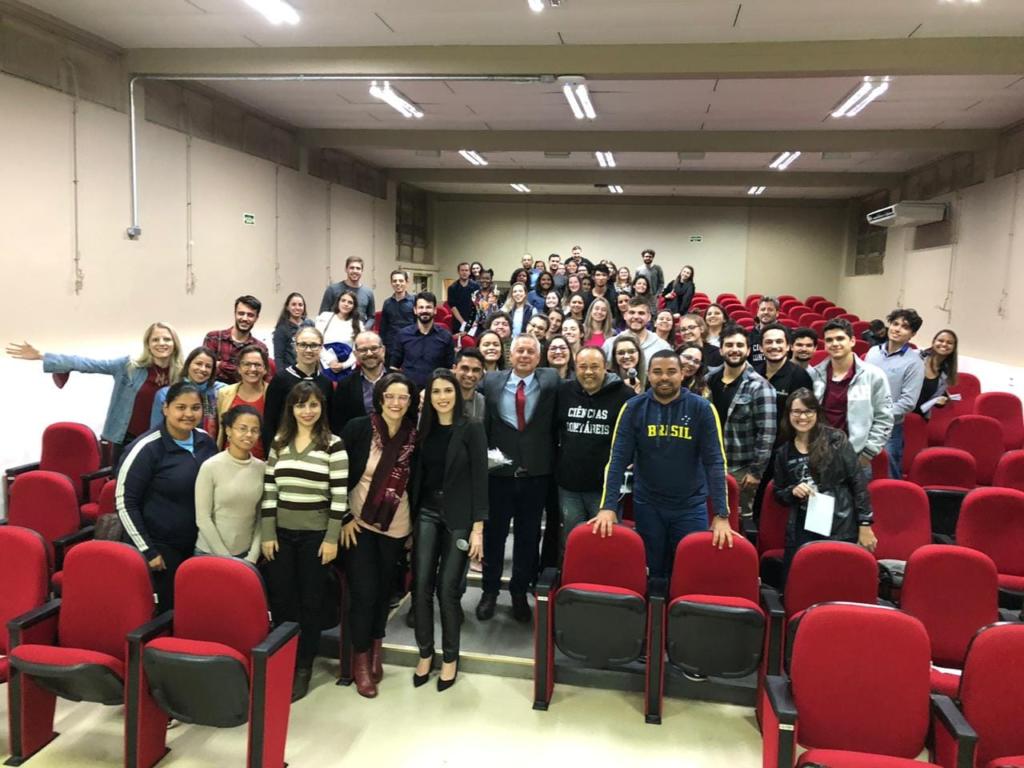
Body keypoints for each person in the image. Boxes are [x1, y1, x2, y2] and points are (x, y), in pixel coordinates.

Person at [595, 351, 731, 579]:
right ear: (648, 374)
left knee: (689, 571)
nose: (664, 377)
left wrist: (721, 514)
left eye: (671, 371)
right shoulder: (633, 408)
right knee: (652, 571)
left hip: (690, 507)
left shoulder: (702, 408)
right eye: (657, 372)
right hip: (648, 506)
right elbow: (617, 460)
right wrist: (607, 506)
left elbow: (715, 463)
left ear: (682, 374)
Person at [261, 381, 348, 701]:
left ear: (322, 408)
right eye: (300, 405)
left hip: (316, 537)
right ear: (291, 409)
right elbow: (270, 489)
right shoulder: (279, 442)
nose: (307, 411)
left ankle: (303, 666)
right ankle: (284, 657)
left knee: (311, 603)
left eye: (313, 404)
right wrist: (268, 532)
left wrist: (332, 538)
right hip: (281, 536)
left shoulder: (333, 445)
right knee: (283, 601)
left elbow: (339, 496)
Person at [340, 373, 418, 698]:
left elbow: (417, 482)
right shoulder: (358, 429)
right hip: (358, 523)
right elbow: (338, 473)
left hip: (396, 526)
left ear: (410, 402)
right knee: (364, 592)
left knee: (384, 591)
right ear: (380, 398)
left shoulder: (415, 436)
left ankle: (376, 646)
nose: (396, 403)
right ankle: (360, 660)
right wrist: (343, 516)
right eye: (390, 396)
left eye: (403, 397)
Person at [409, 370, 488, 691]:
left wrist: (478, 529)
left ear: (457, 394)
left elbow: (480, 479)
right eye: (436, 391)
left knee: (447, 590)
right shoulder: (423, 430)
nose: (442, 397)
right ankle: (425, 653)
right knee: (421, 586)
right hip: (427, 513)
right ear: (428, 397)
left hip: (459, 518)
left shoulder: (472, 428)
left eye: (448, 391)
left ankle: (450, 658)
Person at [477, 335, 560, 623]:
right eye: (520, 350)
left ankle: (518, 592)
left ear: (539, 357)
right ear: (510, 355)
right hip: (498, 475)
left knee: (528, 538)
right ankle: (489, 592)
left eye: (530, 351)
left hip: (535, 475)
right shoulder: (490, 381)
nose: (524, 355)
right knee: (494, 536)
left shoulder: (551, 381)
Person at [7, 322, 183, 456]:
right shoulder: (129, 367)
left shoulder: (182, 374)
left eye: (167, 339)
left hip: (163, 441)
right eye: (155, 339)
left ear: (174, 343)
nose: (161, 343)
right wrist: (42, 356)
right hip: (128, 440)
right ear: (148, 344)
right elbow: (88, 364)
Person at [117, 382, 218, 611]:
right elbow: (125, 503)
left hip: (198, 545)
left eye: (195, 408)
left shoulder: (205, 441)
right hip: (160, 549)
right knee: (167, 611)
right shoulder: (146, 448)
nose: (188, 414)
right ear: (165, 408)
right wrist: (148, 551)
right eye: (180, 407)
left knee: (197, 609)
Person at [774, 388, 877, 586]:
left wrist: (865, 523)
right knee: (803, 580)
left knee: (835, 579)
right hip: (803, 525)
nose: (802, 417)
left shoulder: (835, 439)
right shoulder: (783, 451)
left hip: (839, 521)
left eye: (808, 411)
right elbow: (779, 493)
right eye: (796, 412)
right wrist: (792, 491)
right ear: (789, 414)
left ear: (817, 413)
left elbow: (858, 481)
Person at [555, 347, 633, 549]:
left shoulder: (625, 395)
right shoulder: (563, 392)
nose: (588, 372)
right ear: (575, 368)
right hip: (569, 485)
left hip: (606, 488)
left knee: (604, 543)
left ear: (605, 367)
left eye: (594, 366)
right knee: (572, 542)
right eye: (583, 366)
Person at [707, 325, 778, 518]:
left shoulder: (760, 386)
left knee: (736, 522)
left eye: (740, 345)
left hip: (739, 469)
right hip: (708, 464)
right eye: (729, 345)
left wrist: (756, 472)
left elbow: (767, 434)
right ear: (721, 349)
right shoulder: (709, 380)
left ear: (748, 350)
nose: (734, 349)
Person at [808, 319, 893, 478]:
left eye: (840, 338)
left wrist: (866, 455)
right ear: (825, 345)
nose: (835, 343)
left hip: (856, 457)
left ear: (852, 341)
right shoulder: (814, 375)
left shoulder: (873, 376)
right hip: (820, 455)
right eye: (829, 340)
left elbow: (884, 418)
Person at [194, 404, 263, 564]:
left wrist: (253, 555)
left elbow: (261, 517)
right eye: (242, 428)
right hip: (209, 553)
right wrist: (226, 559)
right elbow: (203, 518)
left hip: (246, 556)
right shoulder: (211, 466)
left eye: (254, 430)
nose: (249, 434)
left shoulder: (261, 468)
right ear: (228, 430)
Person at [865, 308, 925, 478]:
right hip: (863, 423)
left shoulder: (914, 363)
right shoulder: (873, 352)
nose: (897, 329)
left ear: (912, 334)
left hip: (889, 429)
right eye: (895, 324)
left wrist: (879, 414)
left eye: (905, 327)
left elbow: (908, 402)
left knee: (888, 475)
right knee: (862, 474)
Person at [262, 326, 333, 453]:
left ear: (321, 348)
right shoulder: (280, 380)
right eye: (303, 345)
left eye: (314, 345)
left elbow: (329, 421)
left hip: (317, 450)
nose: (308, 350)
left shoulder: (326, 383)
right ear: (296, 347)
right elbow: (269, 421)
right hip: (284, 449)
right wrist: (271, 453)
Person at [150, 346, 223, 441]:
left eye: (208, 366)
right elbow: (156, 431)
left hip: (208, 446)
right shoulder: (165, 394)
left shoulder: (220, 391)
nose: (203, 369)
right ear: (188, 365)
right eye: (198, 363)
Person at [216, 345, 270, 458]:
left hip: (262, 460)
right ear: (239, 368)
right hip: (229, 459)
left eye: (257, 365)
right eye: (247, 364)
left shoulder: (273, 393)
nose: (252, 369)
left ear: (265, 369)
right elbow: (220, 429)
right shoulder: (224, 393)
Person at [393, 292, 455, 390]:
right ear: (415, 310)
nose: (424, 311)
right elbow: (394, 367)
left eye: (428, 307)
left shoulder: (446, 336)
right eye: (421, 307)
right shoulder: (402, 335)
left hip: (435, 391)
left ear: (435, 310)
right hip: (409, 391)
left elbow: (450, 370)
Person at [330, 331, 387, 434]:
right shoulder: (345, 385)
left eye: (374, 348)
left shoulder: (399, 381)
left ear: (383, 350)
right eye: (363, 350)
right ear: (355, 354)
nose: (369, 353)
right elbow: (338, 423)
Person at [203, 295, 269, 385]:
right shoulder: (213, 338)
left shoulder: (260, 348)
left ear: (256, 318)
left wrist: (221, 365)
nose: (245, 318)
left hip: (245, 392)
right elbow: (205, 369)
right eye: (241, 313)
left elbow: (259, 379)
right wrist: (244, 370)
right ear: (235, 314)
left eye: (250, 315)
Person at [758, 323, 814, 423]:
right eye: (769, 342)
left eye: (779, 342)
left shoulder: (800, 376)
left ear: (788, 346)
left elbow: (804, 416)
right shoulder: (755, 373)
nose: (774, 346)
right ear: (761, 348)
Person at [602, 297, 672, 366]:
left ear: (649, 317)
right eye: (632, 312)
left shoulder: (662, 347)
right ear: (625, 316)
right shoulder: (610, 345)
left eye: (641, 313)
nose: (636, 317)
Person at [314, 290, 361, 378]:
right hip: (324, 365)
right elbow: (317, 343)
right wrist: (330, 361)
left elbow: (357, 351)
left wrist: (344, 365)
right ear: (338, 302)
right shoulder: (325, 317)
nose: (346, 304)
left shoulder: (359, 325)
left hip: (347, 369)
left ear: (354, 306)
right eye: (343, 300)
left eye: (350, 302)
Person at [319, 255, 375, 327]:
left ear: (362, 271)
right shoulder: (332, 289)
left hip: (358, 331)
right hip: (335, 331)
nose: (355, 271)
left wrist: (364, 329)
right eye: (352, 268)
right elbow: (322, 314)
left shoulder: (368, 292)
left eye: (358, 268)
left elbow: (371, 317)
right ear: (346, 269)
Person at [915, 329, 959, 417]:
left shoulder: (946, 373)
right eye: (941, 340)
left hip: (919, 416)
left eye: (949, 343)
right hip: (898, 410)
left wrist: (940, 402)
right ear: (933, 342)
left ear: (954, 348)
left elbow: (933, 399)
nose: (944, 344)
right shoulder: (916, 356)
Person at [379, 270, 415, 367]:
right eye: (394, 281)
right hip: (391, 347)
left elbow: (418, 324)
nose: (398, 283)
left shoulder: (414, 302)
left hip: (410, 344)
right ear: (391, 283)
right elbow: (383, 327)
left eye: (401, 281)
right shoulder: (387, 303)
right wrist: (382, 345)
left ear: (407, 282)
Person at [273, 292, 312, 371]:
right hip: (291, 371)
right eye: (293, 304)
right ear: (287, 307)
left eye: (300, 305)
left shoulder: (310, 324)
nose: (297, 308)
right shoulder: (281, 329)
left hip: (309, 370)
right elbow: (279, 357)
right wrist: (282, 375)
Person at [453, 348, 487, 421]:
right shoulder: (443, 398)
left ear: (481, 373)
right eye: (465, 368)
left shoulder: (484, 404)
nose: (470, 374)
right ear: (454, 368)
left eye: (476, 370)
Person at [447, 262, 479, 334]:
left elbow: (478, 305)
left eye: (466, 270)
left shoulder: (476, 286)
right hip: (458, 323)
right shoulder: (452, 288)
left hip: (473, 323)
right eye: (462, 270)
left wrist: (475, 321)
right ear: (458, 272)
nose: (464, 272)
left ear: (469, 272)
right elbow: (453, 307)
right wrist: (463, 323)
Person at [748, 296, 780, 368]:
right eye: (762, 309)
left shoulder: (788, 334)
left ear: (777, 313)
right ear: (758, 312)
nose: (766, 312)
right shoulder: (748, 337)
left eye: (770, 310)